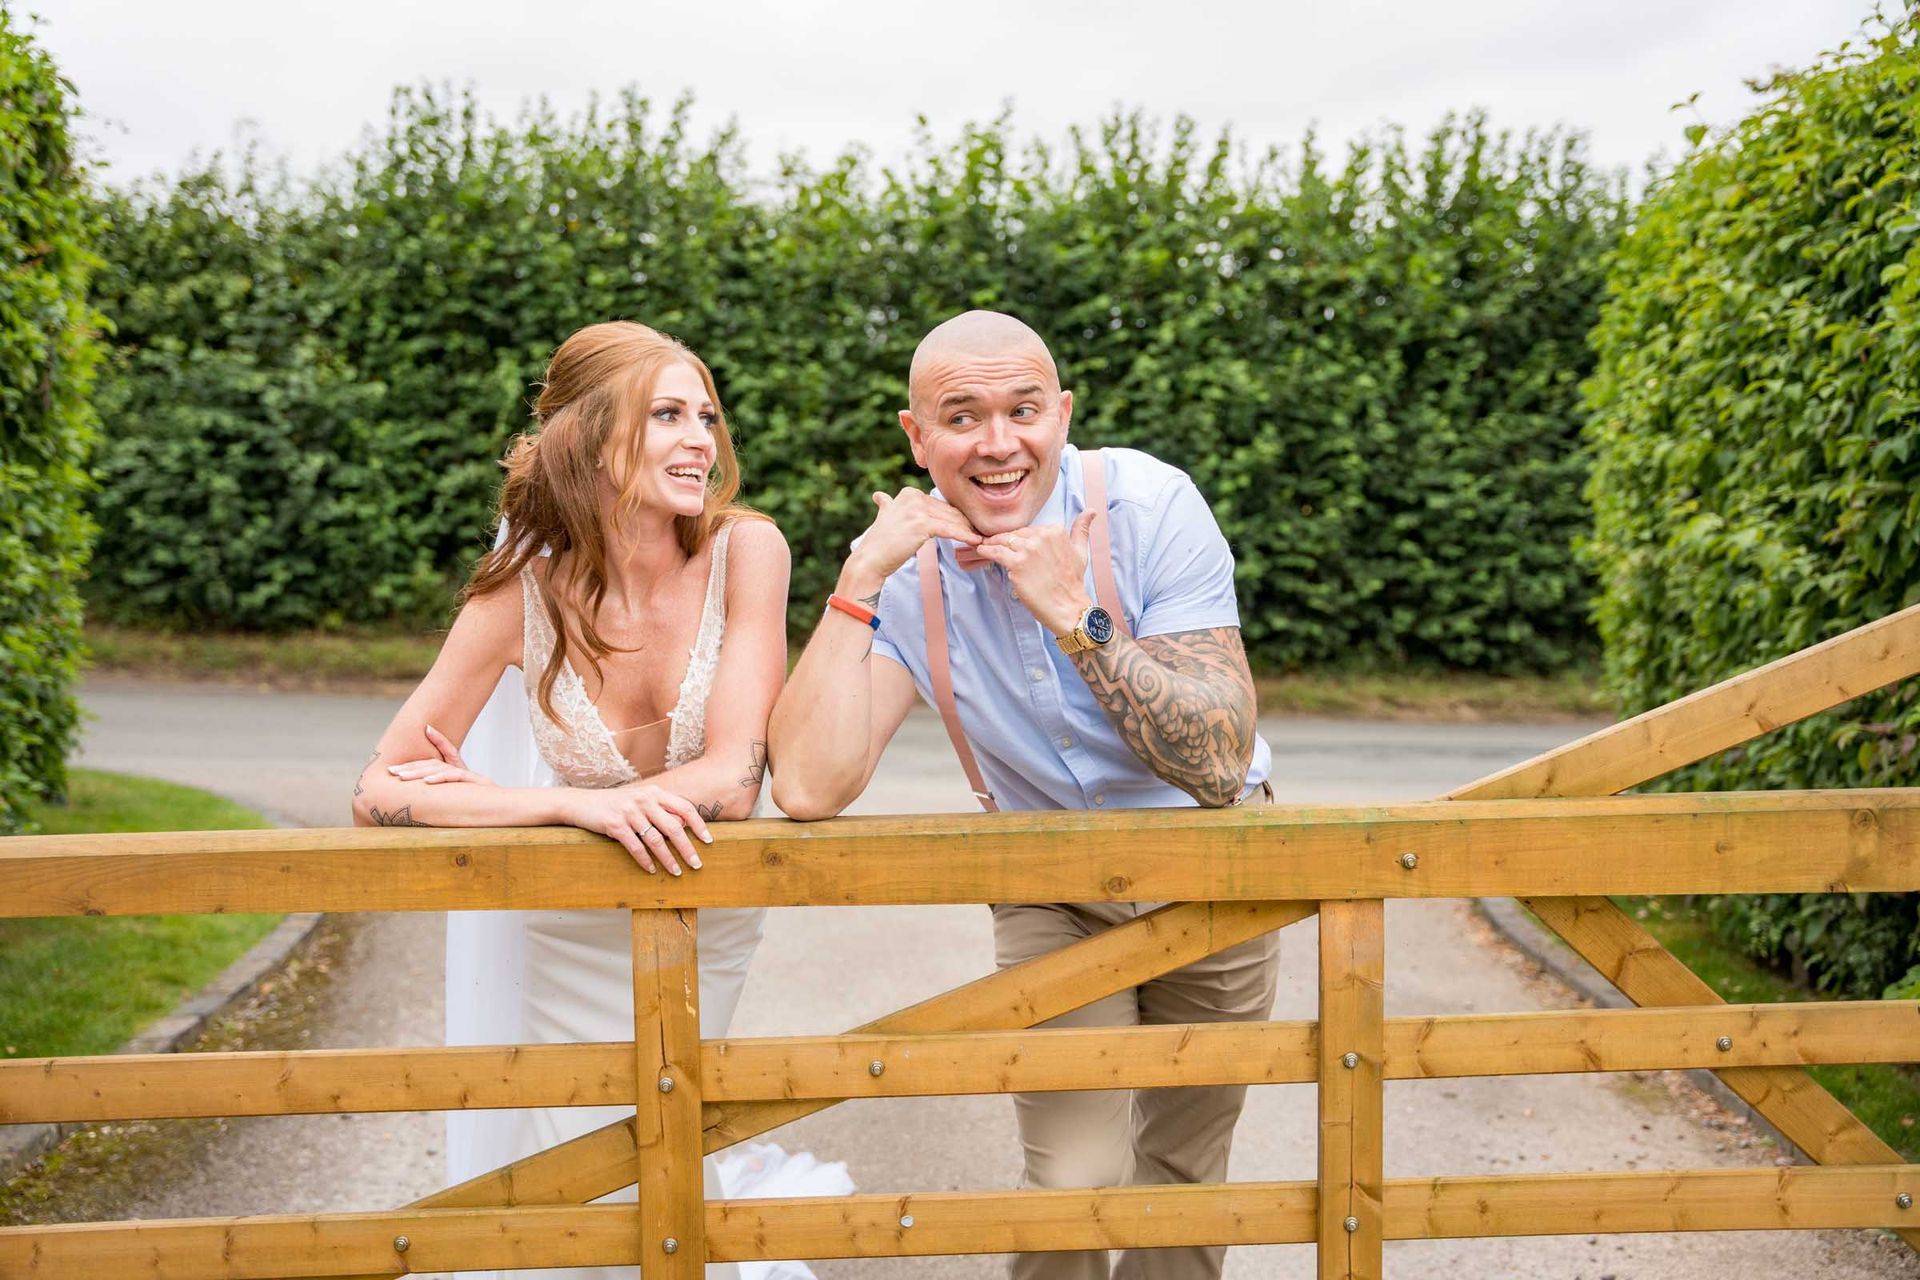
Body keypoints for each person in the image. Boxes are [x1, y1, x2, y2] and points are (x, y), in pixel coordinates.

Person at [768, 310, 1278, 1280]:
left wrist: (1075, 617)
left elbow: (1217, 762)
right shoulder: (908, 570)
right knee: (1069, 1182)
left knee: (1185, 1171)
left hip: (1216, 874)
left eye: (1024, 409)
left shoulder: (1153, 505)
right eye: (962, 416)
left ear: (1064, 413)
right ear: (917, 438)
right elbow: (805, 783)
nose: (999, 442)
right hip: (1051, 888)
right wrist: (860, 572)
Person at [351, 320, 790, 1280]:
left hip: (704, 912)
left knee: (674, 1162)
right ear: (589, 438)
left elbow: (735, 777)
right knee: (575, 1177)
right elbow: (378, 785)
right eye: (666, 415)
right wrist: (560, 808)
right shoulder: (521, 595)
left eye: (705, 416)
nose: (700, 441)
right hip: (568, 929)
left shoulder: (746, 554)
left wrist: (592, 802)